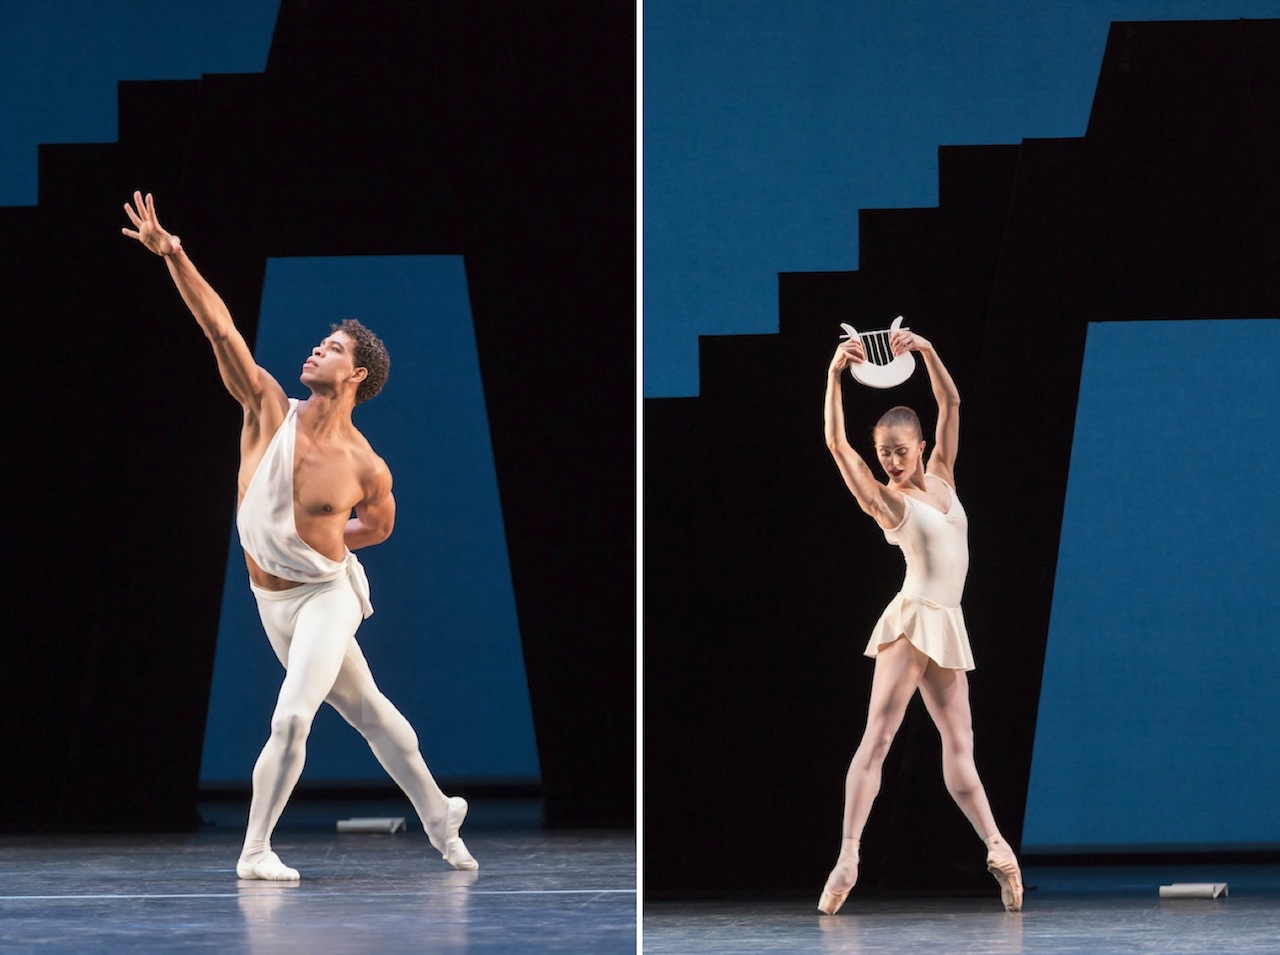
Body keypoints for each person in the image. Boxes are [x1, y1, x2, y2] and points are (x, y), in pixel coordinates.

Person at [122, 191, 477, 881]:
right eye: (322, 340)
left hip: (325, 595)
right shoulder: (265, 409)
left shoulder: (365, 463)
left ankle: (254, 849)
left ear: (356, 375)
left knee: (292, 718)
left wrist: (325, 542)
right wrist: (175, 254)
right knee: (370, 709)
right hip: (271, 601)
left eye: (334, 347)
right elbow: (221, 331)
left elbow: (377, 524)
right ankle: (441, 816)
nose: (318, 348)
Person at [818, 327, 1021, 914]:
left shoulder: (943, 478)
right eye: (884, 453)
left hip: (948, 623)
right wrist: (834, 376)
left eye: (900, 450)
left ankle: (998, 849)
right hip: (911, 623)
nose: (891, 460)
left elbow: (951, 403)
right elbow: (837, 446)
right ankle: (849, 856)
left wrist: (928, 351)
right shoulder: (888, 500)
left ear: (920, 445)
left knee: (961, 747)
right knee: (878, 738)